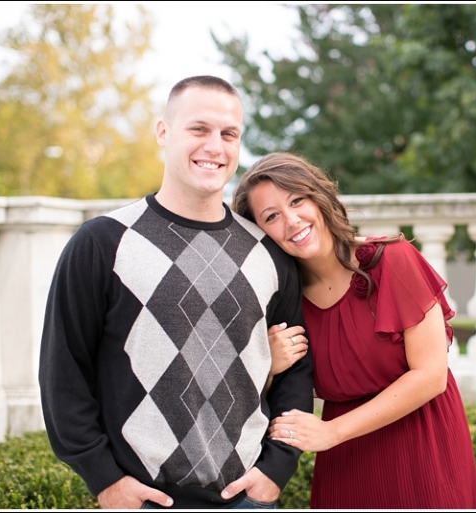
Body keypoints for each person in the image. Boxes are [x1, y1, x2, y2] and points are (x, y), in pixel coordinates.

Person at [38, 76, 313, 510]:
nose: (215, 146)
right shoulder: (103, 242)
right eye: (199, 129)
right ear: (163, 132)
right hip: (143, 499)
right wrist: (105, 480)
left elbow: (296, 371)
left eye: (229, 134)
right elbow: (63, 371)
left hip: (247, 498)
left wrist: (277, 468)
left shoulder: (268, 252)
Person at [232, 152, 476, 509]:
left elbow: (431, 376)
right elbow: (268, 397)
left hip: (421, 445)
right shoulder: (280, 301)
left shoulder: (393, 259)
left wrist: (331, 431)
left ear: (320, 198)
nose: (291, 220)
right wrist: (268, 365)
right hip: (345, 462)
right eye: (271, 216)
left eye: (297, 201)